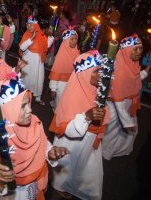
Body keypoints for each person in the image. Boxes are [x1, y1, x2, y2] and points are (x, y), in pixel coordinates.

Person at [0, 77, 69, 199]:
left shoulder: (34, 121)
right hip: (10, 194)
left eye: (28, 103)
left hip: (32, 187)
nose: (30, 110)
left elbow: (42, 143)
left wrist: (49, 152)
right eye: (22, 106)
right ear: (8, 109)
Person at [50, 50, 109, 200]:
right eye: (97, 71)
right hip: (71, 144)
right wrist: (87, 117)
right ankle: (60, 185)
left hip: (90, 142)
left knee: (89, 170)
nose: (101, 74)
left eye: (103, 69)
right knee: (68, 167)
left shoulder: (98, 91)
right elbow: (67, 130)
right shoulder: (72, 96)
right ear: (85, 73)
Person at [102, 34, 150, 160]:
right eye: (136, 49)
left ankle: (120, 150)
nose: (139, 52)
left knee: (128, 134)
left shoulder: (132, 65)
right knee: (111, 133)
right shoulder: (118, 69)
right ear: (127, 50)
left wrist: (145, 72)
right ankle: (105, 153)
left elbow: (134, 80)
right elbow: (118, 100)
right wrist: (127, 122)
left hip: (127, 107)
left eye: (140, 48)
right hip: (116, 110)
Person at [19, 16, 49, 105]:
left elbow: (46, 47)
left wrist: (50, 37)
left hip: (38, 62)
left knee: (38, 79)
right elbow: (22, 47)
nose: (29, 26)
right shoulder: (27, 34)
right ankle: (23, 96)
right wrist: (31, 38)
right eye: (28, 24)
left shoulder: (42, 35)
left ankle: (38, 98)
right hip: (27, 62)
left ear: (36, 25)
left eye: (31, 25)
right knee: (26, 79)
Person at [49, 29, 80, 109]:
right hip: (61, 85)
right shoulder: (61, 56)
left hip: (72, 84)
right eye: (71, 39)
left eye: (76, 39)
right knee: (59, 104)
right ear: (66, 41)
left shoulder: (77, 53)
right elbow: (55, 73)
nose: (74, 41)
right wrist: (53, 89)